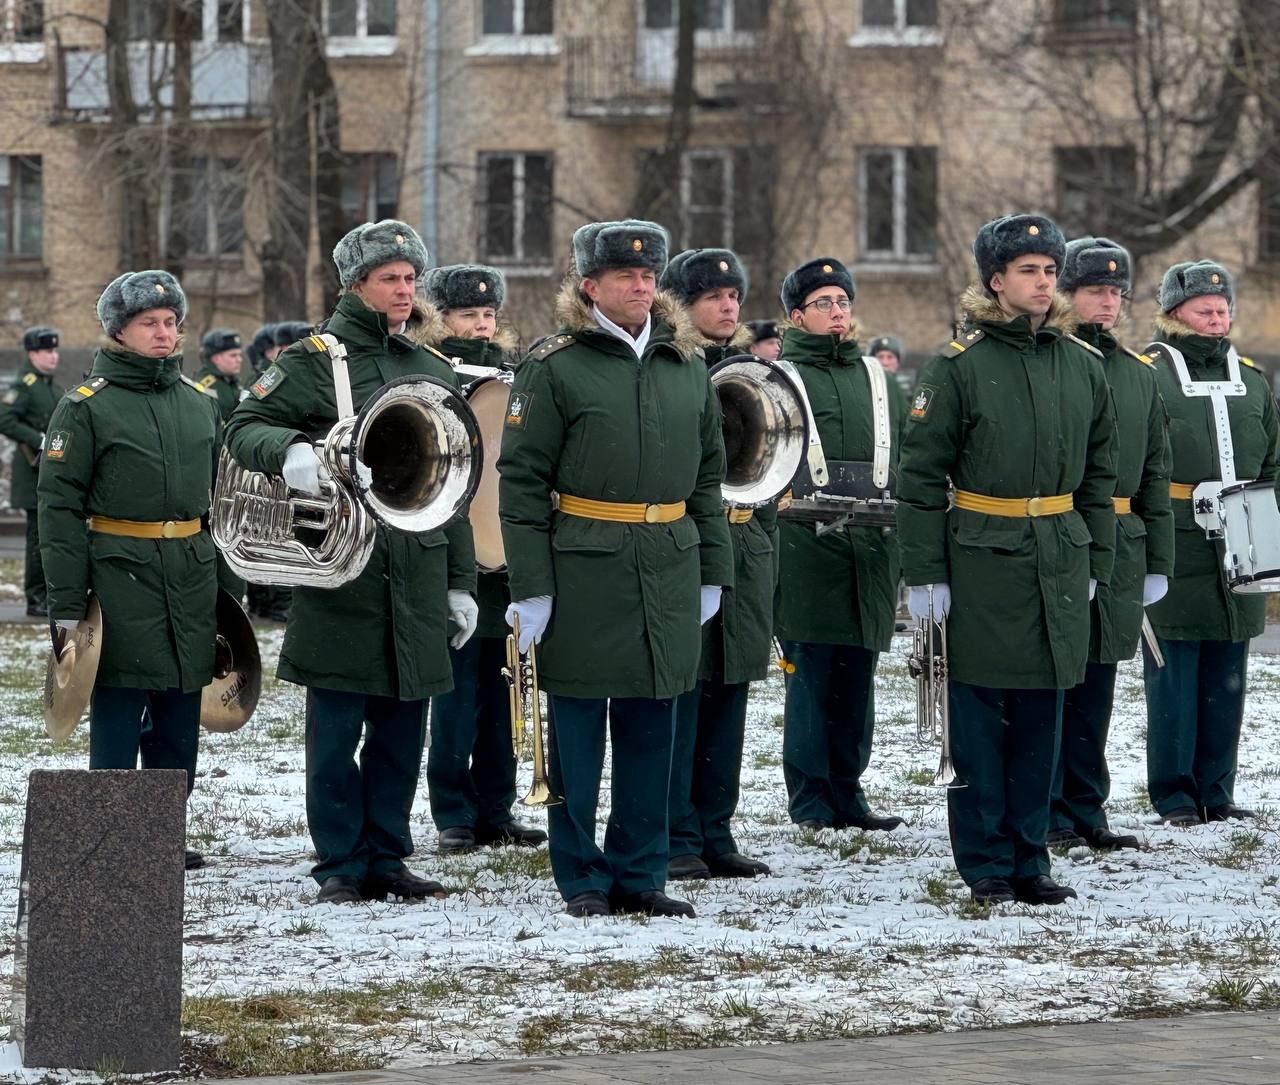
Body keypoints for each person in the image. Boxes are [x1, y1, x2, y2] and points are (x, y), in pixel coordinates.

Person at [224, 219, 479, 905]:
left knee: (401, 732)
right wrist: (288, 449)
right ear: (356, 284)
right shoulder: (313, 360)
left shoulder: (430, 366)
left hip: (417, 570)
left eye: (410, 278)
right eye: (389, 278)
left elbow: (451, 487)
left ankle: (388, 856)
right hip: (346, 572)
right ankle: (340, 859)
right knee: (336, 735)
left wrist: (459, 582)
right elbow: (243, 426)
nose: (404, 290)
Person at [498, 219, 733, 918]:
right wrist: (532, 587)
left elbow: (709, 479)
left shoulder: (685, 365)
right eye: (625, 275)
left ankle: (641, 870)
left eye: (648, 275)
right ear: (590, 286)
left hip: (669, 562)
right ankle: (582, 876)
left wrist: (713, 570)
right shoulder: (555, 366)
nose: (640, 285)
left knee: (653, 729)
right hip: (585, 566)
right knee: (576, 732)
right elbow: (521, 484)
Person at [896, 213, 1117, 906]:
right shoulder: (959, 366)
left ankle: (1031, 855)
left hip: (1058, 553)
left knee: (1042, 717)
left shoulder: (1081, 365)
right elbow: (920, 478)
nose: (1044, 282)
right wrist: (925, 574)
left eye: (1050, 270)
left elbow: (1100, 475)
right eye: (1028, 270)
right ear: (996, 281)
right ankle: (986, 860)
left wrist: (1095, 560)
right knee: (981, 719)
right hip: (983, 558)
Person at [38, 271, 220, 871]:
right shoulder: (84, 408)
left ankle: (161, 833)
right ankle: (112, 836)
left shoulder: (200, 403)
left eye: (171, 322)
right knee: (119, 706)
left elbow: (220, 504)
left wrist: (230, 591)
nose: (164, 333)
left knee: (180, 709)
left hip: (190, 573)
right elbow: (59, 509)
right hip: (118, 575)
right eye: (149, 323)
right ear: (119, 331)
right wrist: (67, 602)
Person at [1047, 237, 1173, 851]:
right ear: (1066, 294)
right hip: (1061, 532)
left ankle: (1085, 805)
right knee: (1054, 680)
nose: (1107, 301)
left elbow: (1155, 471)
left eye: (1116, 292)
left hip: (1122, 538)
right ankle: (1046, 806)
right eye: (1094, 289)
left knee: (1097, 682)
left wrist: (1158, 560)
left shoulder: (1137, 374)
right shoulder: (1053, 359)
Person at [1142, 261, 1278, 826]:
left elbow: (1272, 459)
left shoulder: (1253, 378)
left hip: (1242, 536)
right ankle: (1174, 793)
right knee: (1174, 669)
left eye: (1223, 309)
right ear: (1176, 312)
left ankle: (1216, 791)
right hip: (1178, 536)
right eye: (1205, 310)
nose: (1217, 318)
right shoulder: (1150, 374)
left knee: (1229, 669)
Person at [774, 257, 906, 834]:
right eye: (823, 303)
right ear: (796, 316)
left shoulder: (876, 377)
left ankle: (849, 791)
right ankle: (810, 798)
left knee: (858, 679)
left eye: (843, 302)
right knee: (809, 677)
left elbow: (905, 456)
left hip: (870, 548)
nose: (836, 312)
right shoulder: (777, 378)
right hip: (803, 548)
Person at [423, 263, 547, 854]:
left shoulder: (514, 376)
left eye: (488, 314)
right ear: (441, 317)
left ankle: (498, 806)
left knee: (507, 690)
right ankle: (453, 810)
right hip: (455, 554)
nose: (480, 325)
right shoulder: (430, 373)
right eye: (467, 314)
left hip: (507, 555)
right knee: (456, 696)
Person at [658, 248, 772, 881]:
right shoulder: (671, 367)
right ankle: (674, 830)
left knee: (729, 691)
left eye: (734, 297)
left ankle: (715, 828)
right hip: (690, 543)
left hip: (744, 544)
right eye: (712, 298)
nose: (728, 307)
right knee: (683, 693)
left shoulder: (752, 371)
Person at [0, 326, 64, 616]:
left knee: (49, 538)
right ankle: (35, 598)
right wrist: (37, 439)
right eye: (47, 351)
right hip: (32, 472)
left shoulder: (49, 386)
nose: (54, 356)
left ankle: (46, 595)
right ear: (32, 354)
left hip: (49, 472)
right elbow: (4, 419)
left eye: (55, 351)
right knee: (37, 539)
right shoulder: (25, 386)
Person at [194, 328, 248, 602]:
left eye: (239, 355)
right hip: (216, 476)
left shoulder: (230, 384)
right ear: (215, 358)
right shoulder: (207, 386)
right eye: (232, 355)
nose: (239, 360)